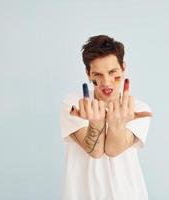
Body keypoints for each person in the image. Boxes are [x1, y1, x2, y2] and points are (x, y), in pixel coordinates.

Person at [60, 35, 153, 200]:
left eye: (113, 73)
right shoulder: (75, 104)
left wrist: (115, 124)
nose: (106, 82)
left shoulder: (137, 109)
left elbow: (113, 150)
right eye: (98, 74)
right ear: (88, 74)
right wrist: (96, 123)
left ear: (123, 68)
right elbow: (95, 151)